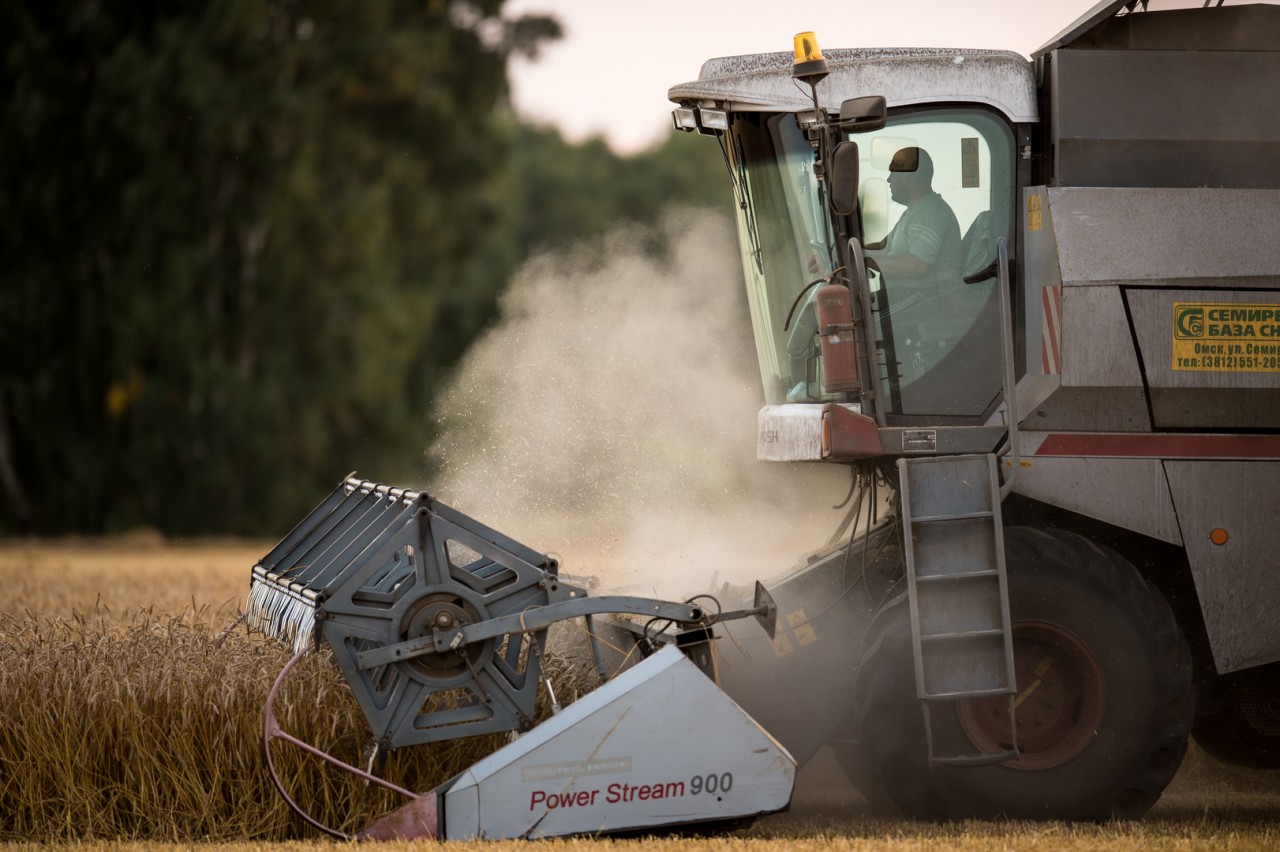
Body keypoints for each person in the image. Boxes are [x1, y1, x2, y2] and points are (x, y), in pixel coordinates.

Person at [863, 146, 962, 312]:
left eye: (893, 173)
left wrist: (865, 262)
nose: (888, 180)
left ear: (907, 178)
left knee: (857, 319)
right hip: (910, 296)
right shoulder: (915, 211)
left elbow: (917, 266)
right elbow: (884, 249)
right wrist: (848, 255)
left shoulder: (929, 211)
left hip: (928, 299)